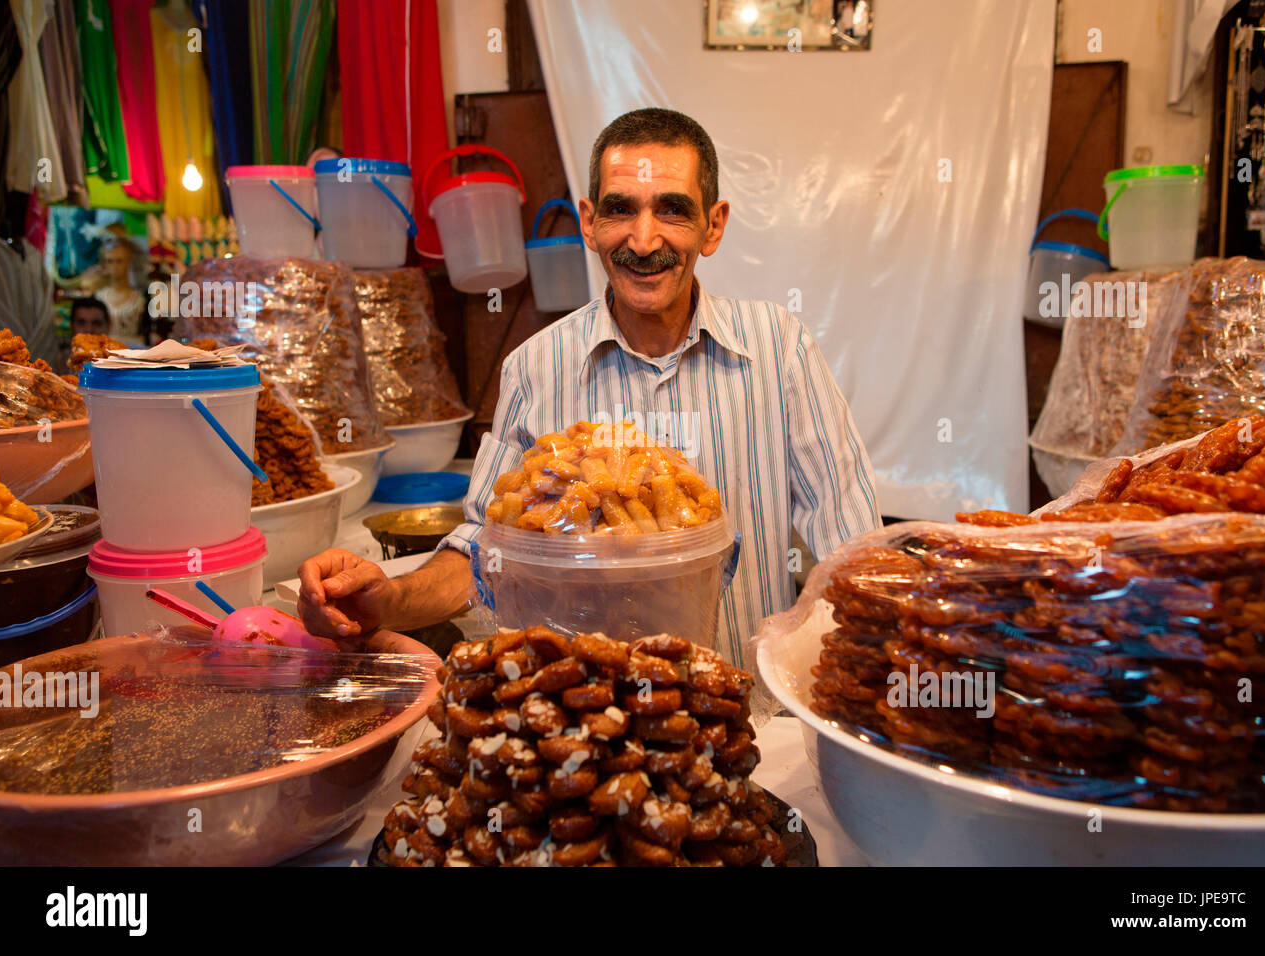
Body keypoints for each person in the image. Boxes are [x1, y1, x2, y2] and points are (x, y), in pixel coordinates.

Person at [297, 108, 880, 665]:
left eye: (673, 210)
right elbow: (485, 550)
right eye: (620, 209)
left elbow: (853, 551)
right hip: (584, 731)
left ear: (713, 225)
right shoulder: (535, 367)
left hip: (744, 721)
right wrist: (390, 601)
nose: (644, 241)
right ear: (589, 222)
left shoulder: (780, 349)